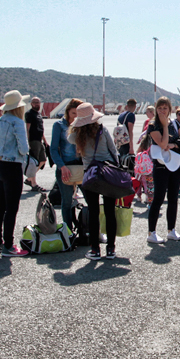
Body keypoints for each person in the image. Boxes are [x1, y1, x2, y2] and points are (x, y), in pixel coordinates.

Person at [68, 102, 119, 260]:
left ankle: (95, 249)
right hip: (107, 173)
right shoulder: (102, 131)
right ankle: (110, 249)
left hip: (90, 174)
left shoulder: (77, 135)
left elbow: (69, 138)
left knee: (93, 212)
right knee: (110, 212)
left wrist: (77, 126)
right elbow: (114, 151)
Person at [0, 90, 31, 257]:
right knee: (12, 207)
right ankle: (9, 245)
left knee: (0, 205)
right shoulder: (17, 122)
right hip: (12, 165)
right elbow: (24, 147)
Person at [146, 97, 180, 244]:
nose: (162, 110)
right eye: (160, 108)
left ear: (170, 109)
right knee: (158, 198)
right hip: (161, 165)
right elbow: (162, 144)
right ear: (156, 109)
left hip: (174, 164)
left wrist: (173, 145)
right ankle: (152, 232)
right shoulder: (153, 125)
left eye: (165, 108)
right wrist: (163, 126)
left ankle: (171, 230)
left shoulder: (174, 123)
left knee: (174, 198)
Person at [51, 98, 83, 232]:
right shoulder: (59, 125)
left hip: (81, 166)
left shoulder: (83, 125)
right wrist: (61, 166)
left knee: (90, 198)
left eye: (78, 114)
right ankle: (68, 231)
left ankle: (88, 229)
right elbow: (53, 149)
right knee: (67, 201)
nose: (76, 117)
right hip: (66, 166)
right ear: (67, 112)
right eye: (73, 113)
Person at [23, 97, 48, 192]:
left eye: (38, 102)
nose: (37, 104)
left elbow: (41, 128)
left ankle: (29, 178)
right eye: (35, 103)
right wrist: (28, 141)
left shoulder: (39, 114)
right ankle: (33, 183)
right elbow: (28, 128)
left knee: (43, 160)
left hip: (39, 139)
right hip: (33, 140)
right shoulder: (29, 114)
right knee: (34, 162)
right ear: (31, 104)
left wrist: (44, 140)